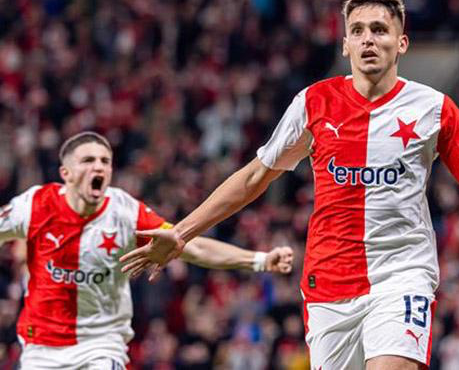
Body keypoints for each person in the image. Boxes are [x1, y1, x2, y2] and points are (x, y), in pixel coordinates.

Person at [121, 0, 459, 370]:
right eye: (357, 30)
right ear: (345, 43)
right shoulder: (313, 103)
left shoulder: (433, 109)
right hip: (328, 284)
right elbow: (253, 178)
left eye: (379, 29)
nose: (368, 39)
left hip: (403, 275)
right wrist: (181, 232)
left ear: (402, 43)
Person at [0, 131, 294, 369]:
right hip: (41, 347)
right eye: (88, 160)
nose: (99, 167)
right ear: (66, 172)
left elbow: (190, 246)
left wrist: (259, 259)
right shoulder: (34, 205)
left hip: (100, 346)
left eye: (105, 161)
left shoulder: (124, 212)